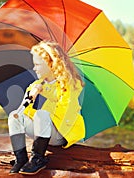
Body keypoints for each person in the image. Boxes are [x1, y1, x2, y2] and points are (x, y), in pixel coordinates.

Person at [8, 41, 85, 175]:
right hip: (42, 131)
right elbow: (22, 111)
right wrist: (29, 99)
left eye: (37, 64)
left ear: (51, 65)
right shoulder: (37, 84)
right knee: (14, 115)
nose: (34, 68)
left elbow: (63, 111)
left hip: (61, 131)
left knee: (41, 115)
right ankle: (21, 158)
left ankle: (38, 158)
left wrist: (45, 91)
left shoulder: (70, 84)